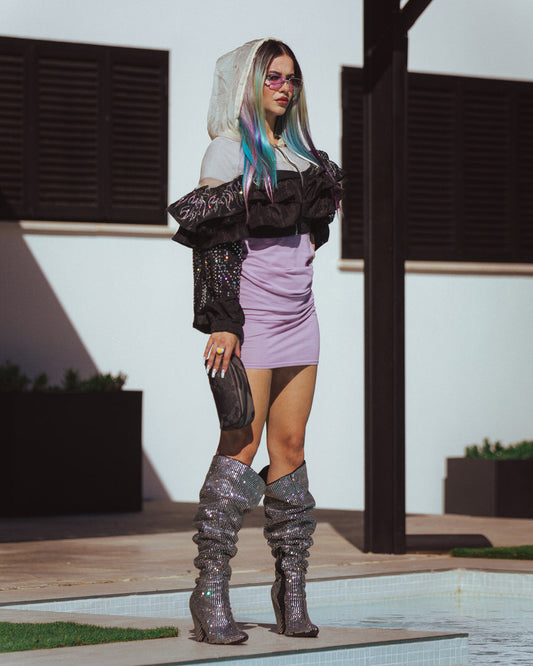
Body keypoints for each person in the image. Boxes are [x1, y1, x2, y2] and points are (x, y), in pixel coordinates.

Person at [169, 38, 343, 645]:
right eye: (273, 77)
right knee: (240, 444)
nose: (284, 87)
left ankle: (291, 589)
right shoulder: (228, 149)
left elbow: (308, 235)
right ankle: (210, 590)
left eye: (291, 78)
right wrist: (223, 320)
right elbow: (212, 241)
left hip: (301, 317)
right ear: (250, 81)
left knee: (290, 446)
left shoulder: (304, 154)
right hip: (249, 319)